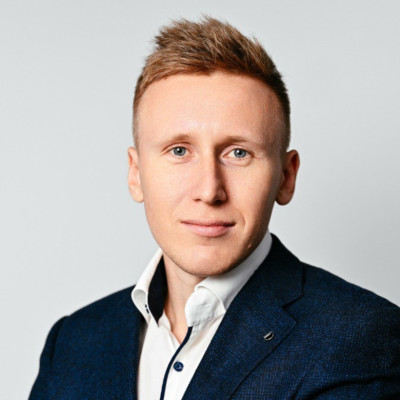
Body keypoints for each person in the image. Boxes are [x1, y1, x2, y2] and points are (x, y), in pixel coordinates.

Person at [29, 16, 400, 400]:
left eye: (238, 153)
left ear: (286, 177)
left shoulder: (360, 339)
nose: (209, 191)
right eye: (179, 151)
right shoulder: (74, 342)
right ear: (136, 174)